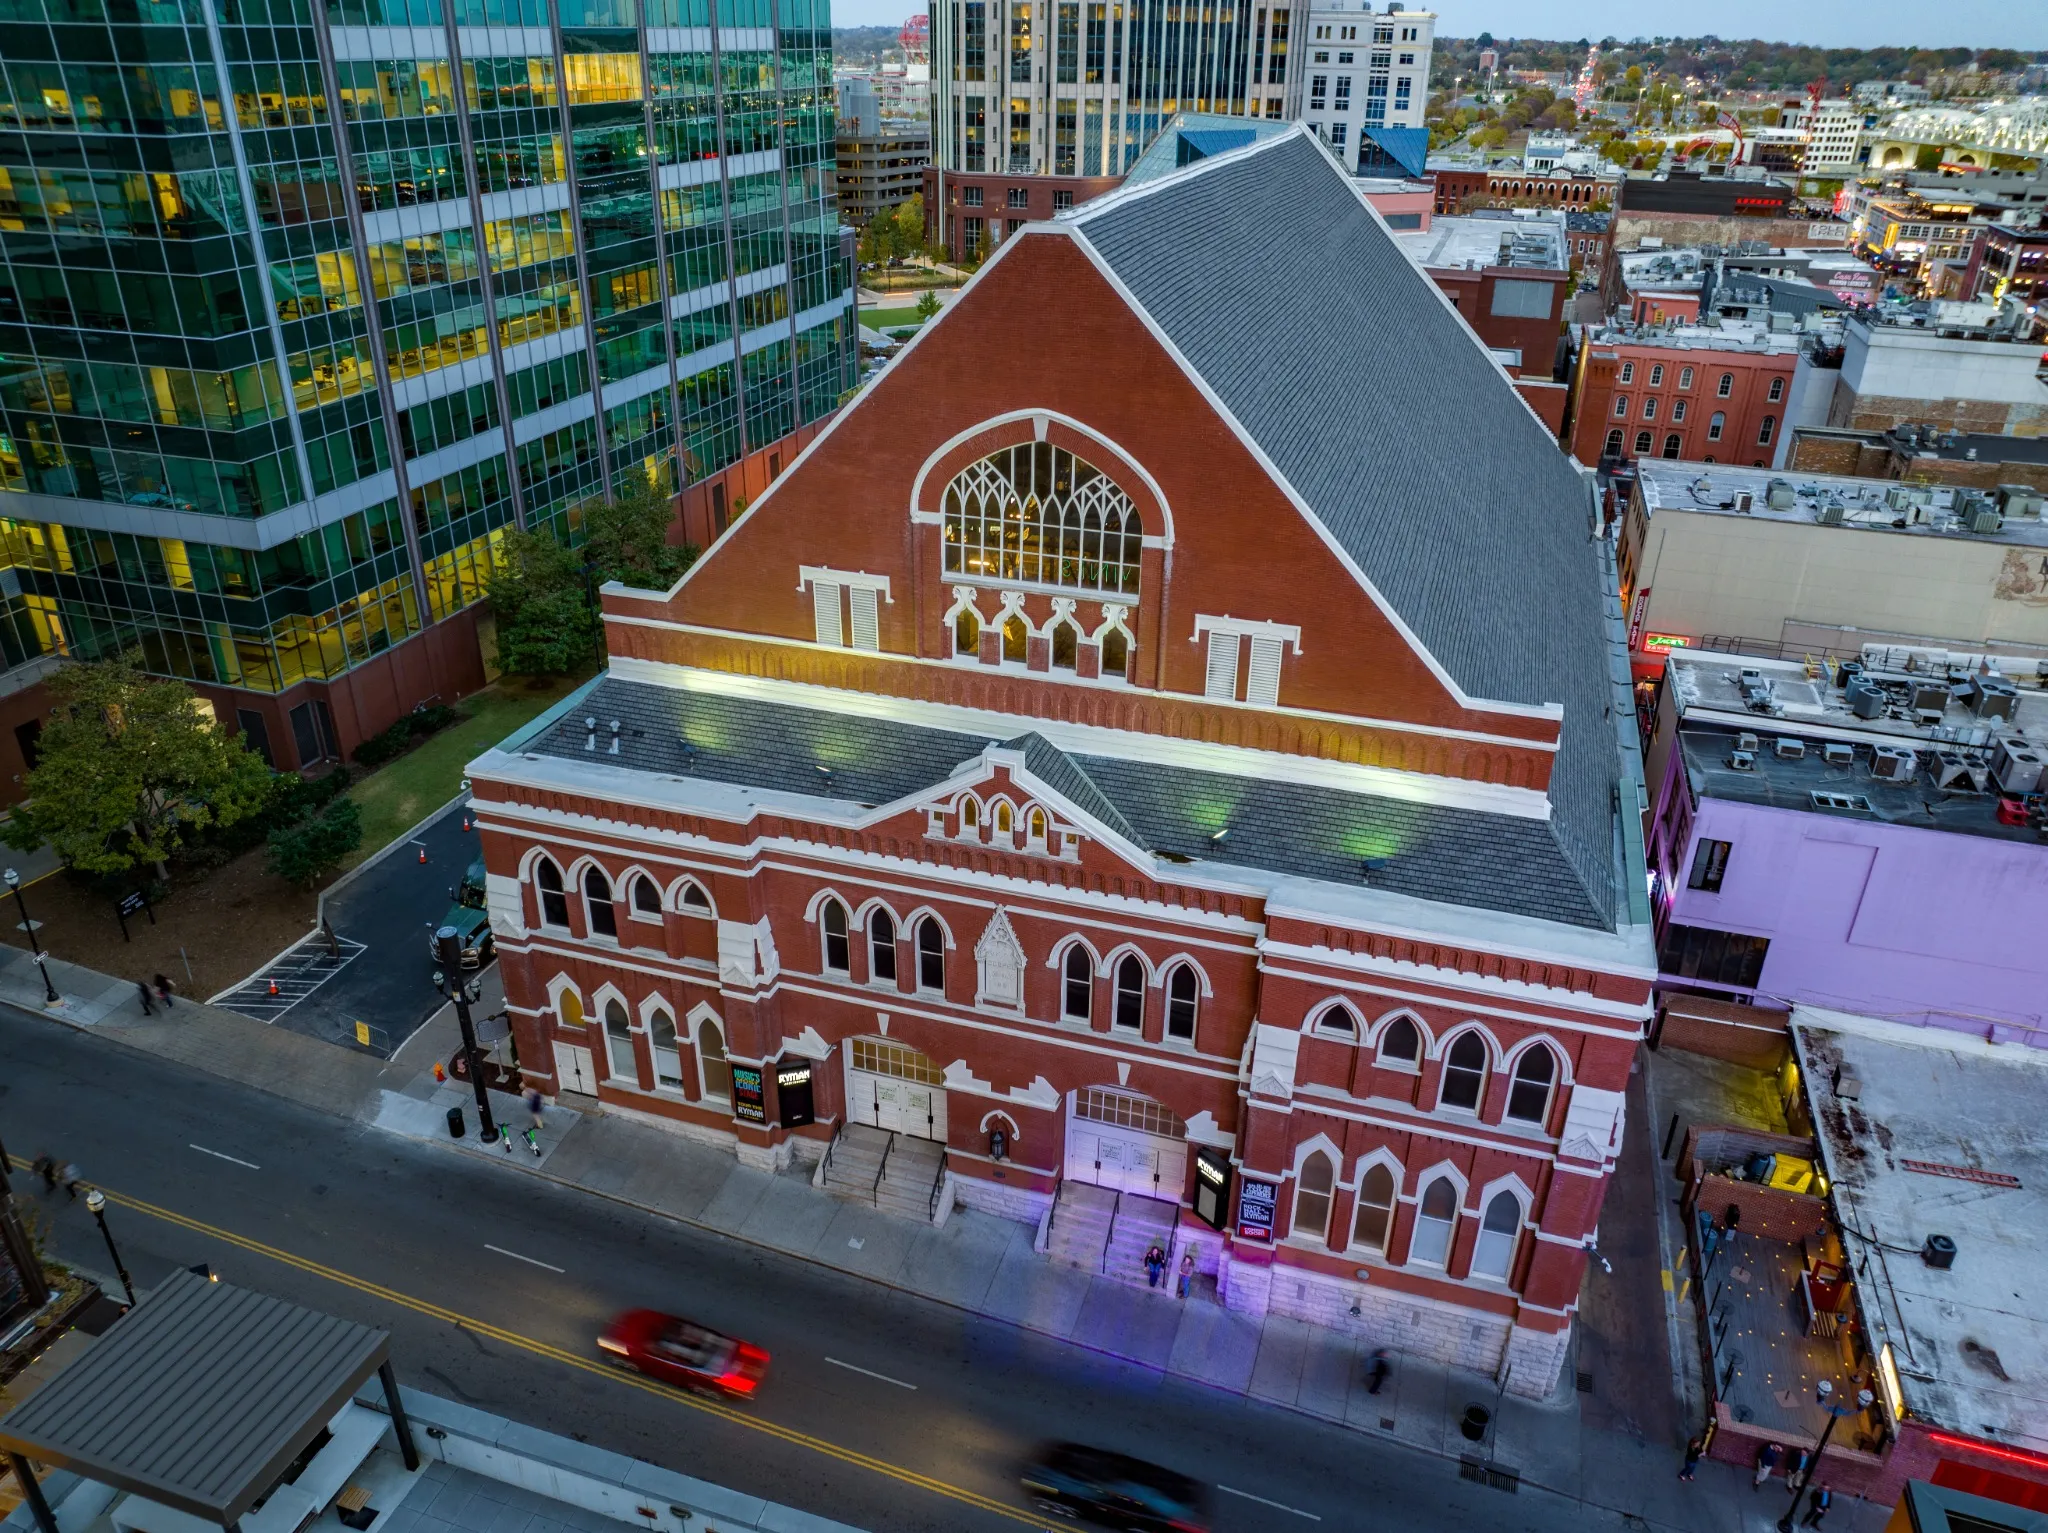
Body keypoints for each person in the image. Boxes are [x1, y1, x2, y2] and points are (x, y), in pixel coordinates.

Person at [523, 1087, 546, 1156]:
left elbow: (533, 1104)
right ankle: (540, 1123)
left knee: (537, 1118)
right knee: (538, 1117)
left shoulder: (534, 1098)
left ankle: (540, 1126)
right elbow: (542, 1100)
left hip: (535, 1110)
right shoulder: (538, 1095)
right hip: (538, 1108)